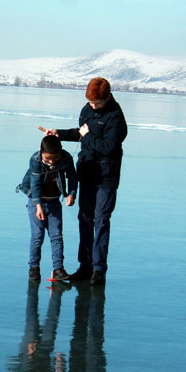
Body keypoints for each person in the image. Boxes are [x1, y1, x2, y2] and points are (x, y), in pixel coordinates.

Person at [45, 77, 127, 285]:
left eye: (97, 103)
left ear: (107, 97)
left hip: (106, 177)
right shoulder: (86, 110)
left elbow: (108, 146)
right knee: (85, 219)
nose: (92, 106)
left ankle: (99, 270)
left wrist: (88, 136)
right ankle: (85, 266)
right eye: (91, 102)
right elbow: (80, 132)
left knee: (101, 221)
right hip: (87, 173)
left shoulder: (116, 117)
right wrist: (59, 134)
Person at [17, 135, 78, 281]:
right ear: (40, 151)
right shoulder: (35, 159)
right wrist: (38, 206)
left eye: (55, 159)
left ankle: (58, 269)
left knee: (56, 236)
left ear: (61, 152)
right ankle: (34, 268)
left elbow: (73, 177)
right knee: (37, 237)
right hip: (35, 201)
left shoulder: (66, 158)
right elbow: (35, 183)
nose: (51, 162)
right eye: (47, 158)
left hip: (54, 202)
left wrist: (71, 194)